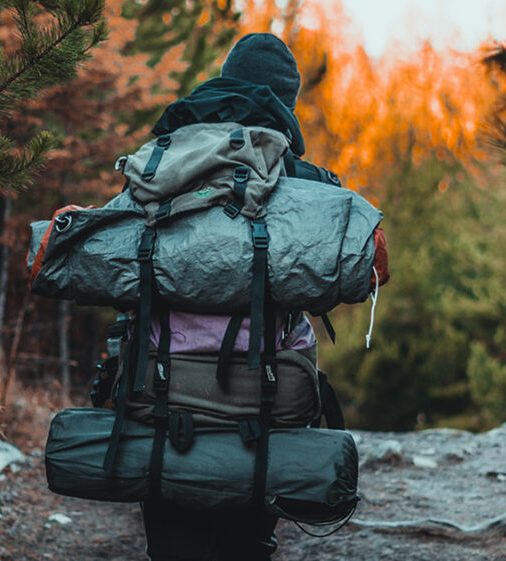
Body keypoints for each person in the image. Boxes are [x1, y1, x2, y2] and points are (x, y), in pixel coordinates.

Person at [138, 32, 344, 561]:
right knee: (246, 543)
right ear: (286, 104)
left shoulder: (165, 163)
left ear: (226, 78)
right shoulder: (308, 187)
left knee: (171, 534)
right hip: (263, 396)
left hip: (163, 386)